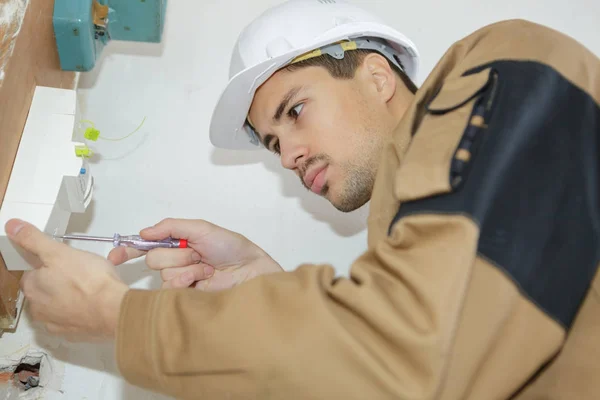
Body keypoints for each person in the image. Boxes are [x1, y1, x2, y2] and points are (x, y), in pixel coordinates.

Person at [4, 0, 600, 398]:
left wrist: (121, 318)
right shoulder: (407, 234)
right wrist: (266, 286)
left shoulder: (500, 61)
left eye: (295, 111)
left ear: (376, 75)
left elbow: (414, 354)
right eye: (273, 143)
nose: (287, 156)